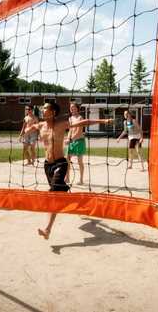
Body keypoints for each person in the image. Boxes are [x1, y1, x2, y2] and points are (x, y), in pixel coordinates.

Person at [24, 102, 112, 240]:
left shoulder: (62, 124)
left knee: (54, 195)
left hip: (60, 163)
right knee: (57, 196)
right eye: (42, 107)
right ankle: (70, 201)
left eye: (46, 108)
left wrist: (103, 120)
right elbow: (30, 127)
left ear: (53, 112)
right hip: (48, 165)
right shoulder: (40, 125)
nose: (43, 109)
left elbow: (85, 121)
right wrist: (28, 129)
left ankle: (47, 229)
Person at [65, 103, 86, 185]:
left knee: (80, 161)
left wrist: (71, 139)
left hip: (79, 141)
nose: (72, 109)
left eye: (73, 107)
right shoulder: (70, 118)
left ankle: (81, 179)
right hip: (71, 141)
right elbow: (70, 131)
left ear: (77, 108)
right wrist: (68, 138)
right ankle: (67, 178)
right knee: (67, 160)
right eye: (71, 107)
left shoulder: (80, 118)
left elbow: (79, 131)